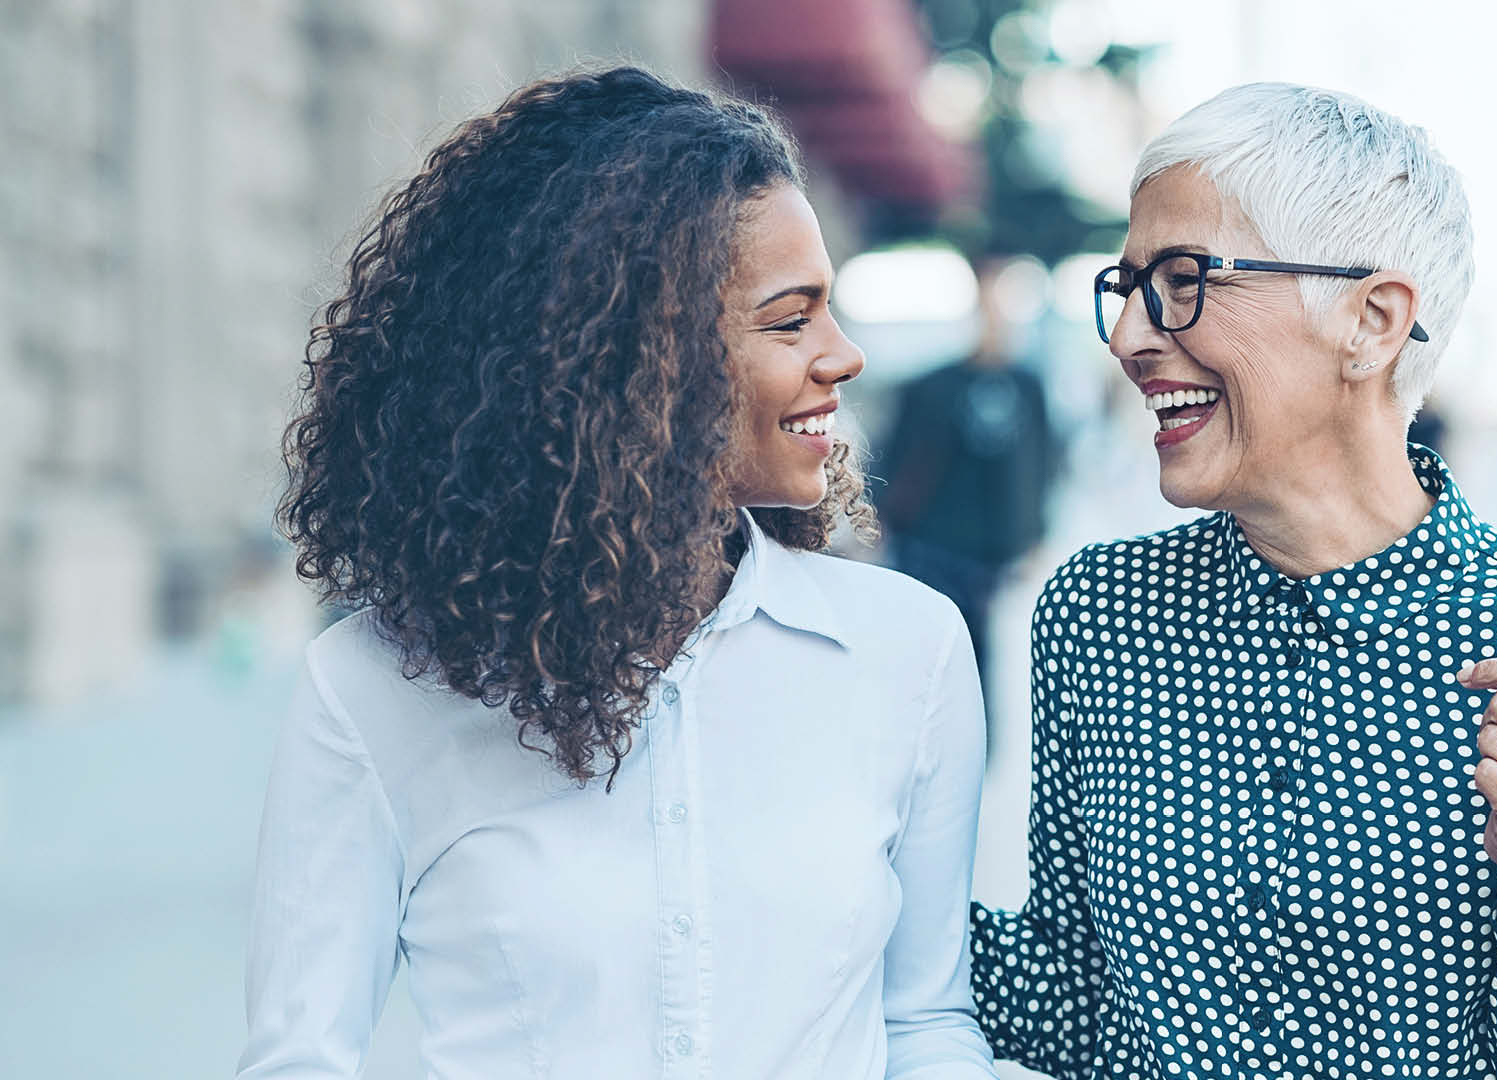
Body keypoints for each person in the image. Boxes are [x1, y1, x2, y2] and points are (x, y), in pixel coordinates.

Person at [239, 67, 996, 1078]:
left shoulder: (910, 650)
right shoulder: (373, 691)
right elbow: (299, 1058)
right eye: (789, 320)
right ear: (644, 362)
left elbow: (924, 1023)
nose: (844, 354)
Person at [969, 83, 1497, 1079]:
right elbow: (1069, 1002)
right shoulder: (1098, 613)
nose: (1130, 337)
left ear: (1372, 319)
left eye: (1182, 278)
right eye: (1127, 284)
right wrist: (845, 846)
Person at [874, 258, 1060, 738]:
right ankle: (914, 739)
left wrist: (1034, 534)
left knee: (977, 658)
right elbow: (897, 457)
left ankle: (972, 747)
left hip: (989, 554)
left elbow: (1043, 463)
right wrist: (886, 522)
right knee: (923, 652)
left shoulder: (1028, 386)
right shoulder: (932, 385)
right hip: (930, 544)